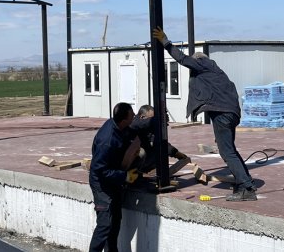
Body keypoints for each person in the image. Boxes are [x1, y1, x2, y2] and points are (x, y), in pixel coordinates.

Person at [152, 27, 257, 201]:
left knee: (227, 152)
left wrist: (166, 42)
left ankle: (247, 188)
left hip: (223, 115)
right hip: (230, 113)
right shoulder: (217, 73)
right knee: (230, 150)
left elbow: (182, 59)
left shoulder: (203, 64)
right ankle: (243, 183)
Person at [88, 102, 138, 252]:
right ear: (123, 120)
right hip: (101, 183)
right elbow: (100, 170)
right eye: (132, 115)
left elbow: (132, 133)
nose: (134, 116)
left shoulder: (118, 126)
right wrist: (125, 176)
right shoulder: (107, 140)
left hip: (113, 180)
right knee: (105, 224)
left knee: (115, 222)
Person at [127, 105, 188, 174]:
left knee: (161, 152)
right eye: (151, 118)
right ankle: (135, 174)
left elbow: (160, 143)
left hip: (143, 159)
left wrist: (176, 153)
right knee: (142, 152)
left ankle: (148, 172)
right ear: (142, 117)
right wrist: (158, 120)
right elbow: (141, 123)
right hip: (129, 161)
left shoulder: (148, 129)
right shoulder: (134, 123)